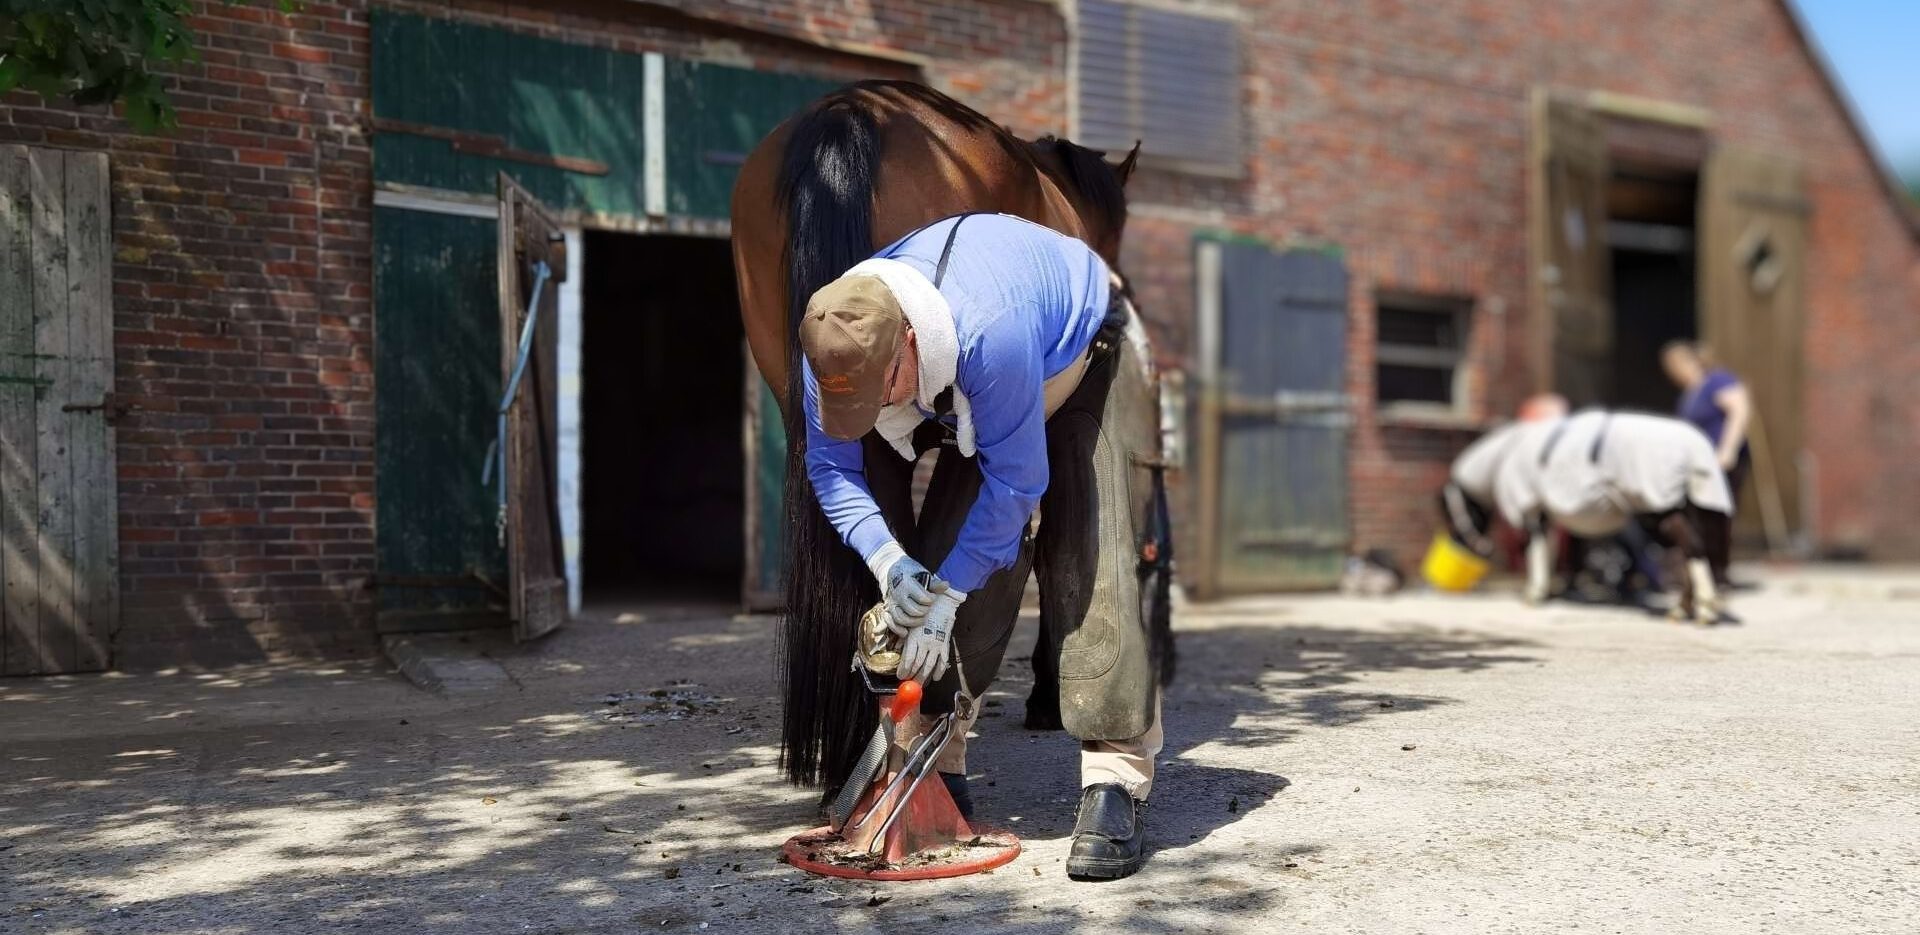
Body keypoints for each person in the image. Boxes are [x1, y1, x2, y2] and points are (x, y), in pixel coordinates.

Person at [799, 212, 1162, 880]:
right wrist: (890, 560)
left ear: (908, 342)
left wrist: (948, 593)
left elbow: (1019, 483)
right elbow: (832, 468)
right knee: (942, 548)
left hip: (1086, 351)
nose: (869, 419)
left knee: (1090, 547)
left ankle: (1116, 776)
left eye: (881, 396)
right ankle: (936, 764)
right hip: (988, 379)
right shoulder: (833, 336)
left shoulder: (987, 332)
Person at [1661, 341, 1750, 582]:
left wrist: (1727, 450)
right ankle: (1705, 572)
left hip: (1722, 461)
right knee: (1700, 516)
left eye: (1674, 366)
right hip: (1700, 463)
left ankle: (1719, 573)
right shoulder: (1690, 393)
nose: (1672, 373)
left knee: (1719, 516)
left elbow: (1739, 410)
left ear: (1689, 362)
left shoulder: (1717, 380)